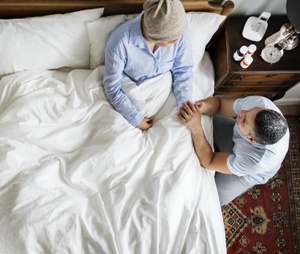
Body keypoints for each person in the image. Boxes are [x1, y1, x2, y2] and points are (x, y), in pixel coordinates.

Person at [178, 96, 289, 207]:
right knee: (206, 117)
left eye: (244, 120)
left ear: (251, 139)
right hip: (238, 136)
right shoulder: (260, 103)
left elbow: (209, 161)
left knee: (209, 202)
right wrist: (201, 107)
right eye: (249, 111)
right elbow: (220, 104)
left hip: (249, 171)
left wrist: (196, 128)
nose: (241, 112)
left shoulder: (256, 162)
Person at [103, 0, 193, 131]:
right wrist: (135, 118)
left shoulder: (180, 34)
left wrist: (185, 104)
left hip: (165, 90)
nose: (178, 41)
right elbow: (112, 88)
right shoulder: (120, 44)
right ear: (155, 37)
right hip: (134, 92)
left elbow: (183, 70)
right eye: (171, 40)